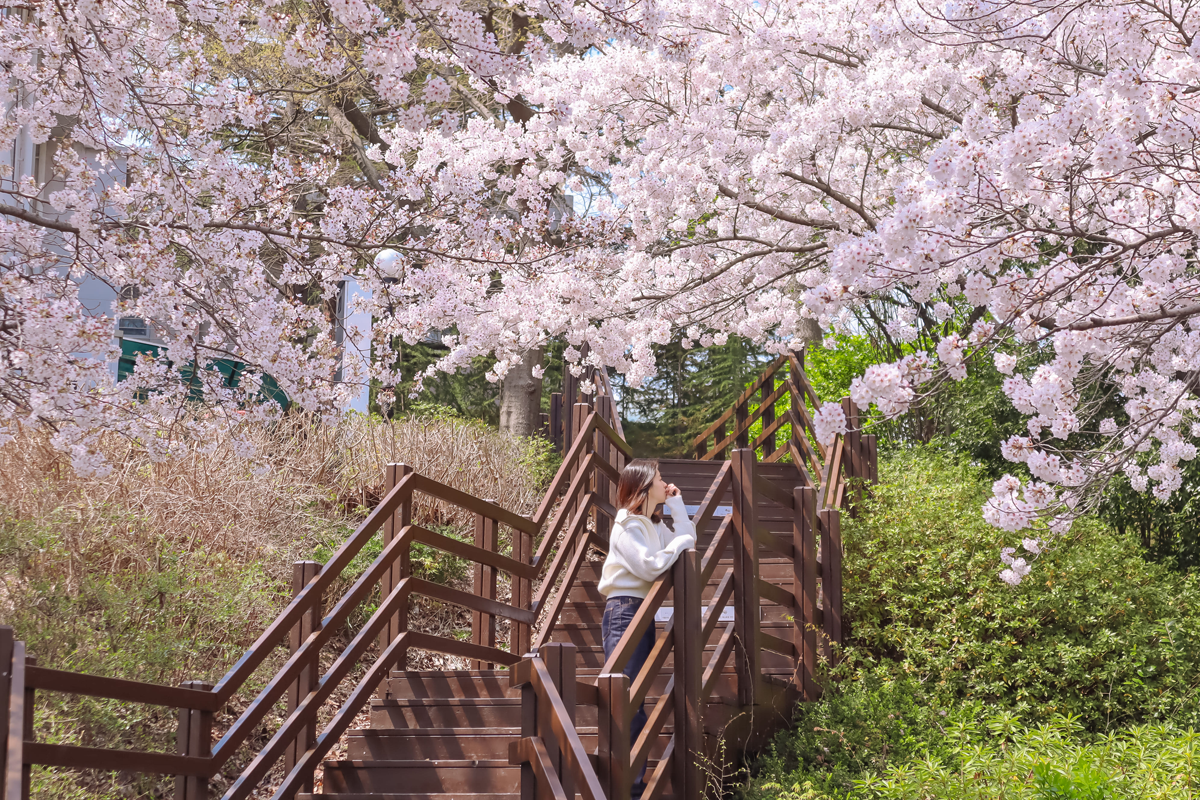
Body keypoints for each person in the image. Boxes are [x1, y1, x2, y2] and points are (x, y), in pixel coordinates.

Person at [597, 458, 697, 798]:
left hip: (641, 611)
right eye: (659, 479)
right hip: (624, 611)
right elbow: (650, 566)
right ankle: (628, 788)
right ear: (643, 487)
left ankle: (630, 785)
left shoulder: (652, 525)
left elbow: (688, 538)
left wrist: (676, 504)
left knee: (633, 699)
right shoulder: (627, 523)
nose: (664, 482)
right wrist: (679, 544)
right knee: (627, 699)